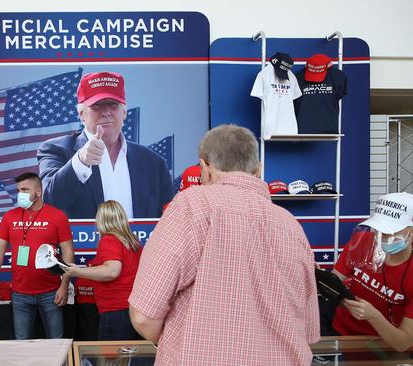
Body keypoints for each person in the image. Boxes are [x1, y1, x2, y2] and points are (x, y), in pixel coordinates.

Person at [129, 124, 320, 365]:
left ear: (205, 168)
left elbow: (144, 316)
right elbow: (309, 330)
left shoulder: (192, 205)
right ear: (258, 170)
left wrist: (180, 342)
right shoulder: (291, 226)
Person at [37, 71, 173, 219]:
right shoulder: (56, 150)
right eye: (97, 106)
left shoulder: (154, 163)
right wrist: (81, 161)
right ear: (81, 114)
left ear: (124, 111)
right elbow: (49, 202)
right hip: (82, 243)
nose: (106, 112)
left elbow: (168, 220)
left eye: (113, 105)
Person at [0, 172, 74, 339]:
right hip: (20, 293)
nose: (20, 194)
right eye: (18, 190)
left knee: (56, 344)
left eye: (25, 189)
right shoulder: (9, 217)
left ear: (38, 192)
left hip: (51, 292)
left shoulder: (57, 216)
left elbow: (68, 252)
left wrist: (64, 285)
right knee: (21, 344)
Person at [332, 192, 413, 352]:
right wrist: (322, 280)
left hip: (386, 345)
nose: (382, 237)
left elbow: (403, 343)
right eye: (379, 229)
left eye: (391, 231)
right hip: (342, 332)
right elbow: (335, 279)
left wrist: (373, 316)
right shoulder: (363, 241)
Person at [63, 200, 143, 340]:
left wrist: (78, 271)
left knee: (111, 360)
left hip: (115, 309)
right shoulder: (133, 242)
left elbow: (112, 271)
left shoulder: (109, 240)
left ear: (101, 219)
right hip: (133, 308)